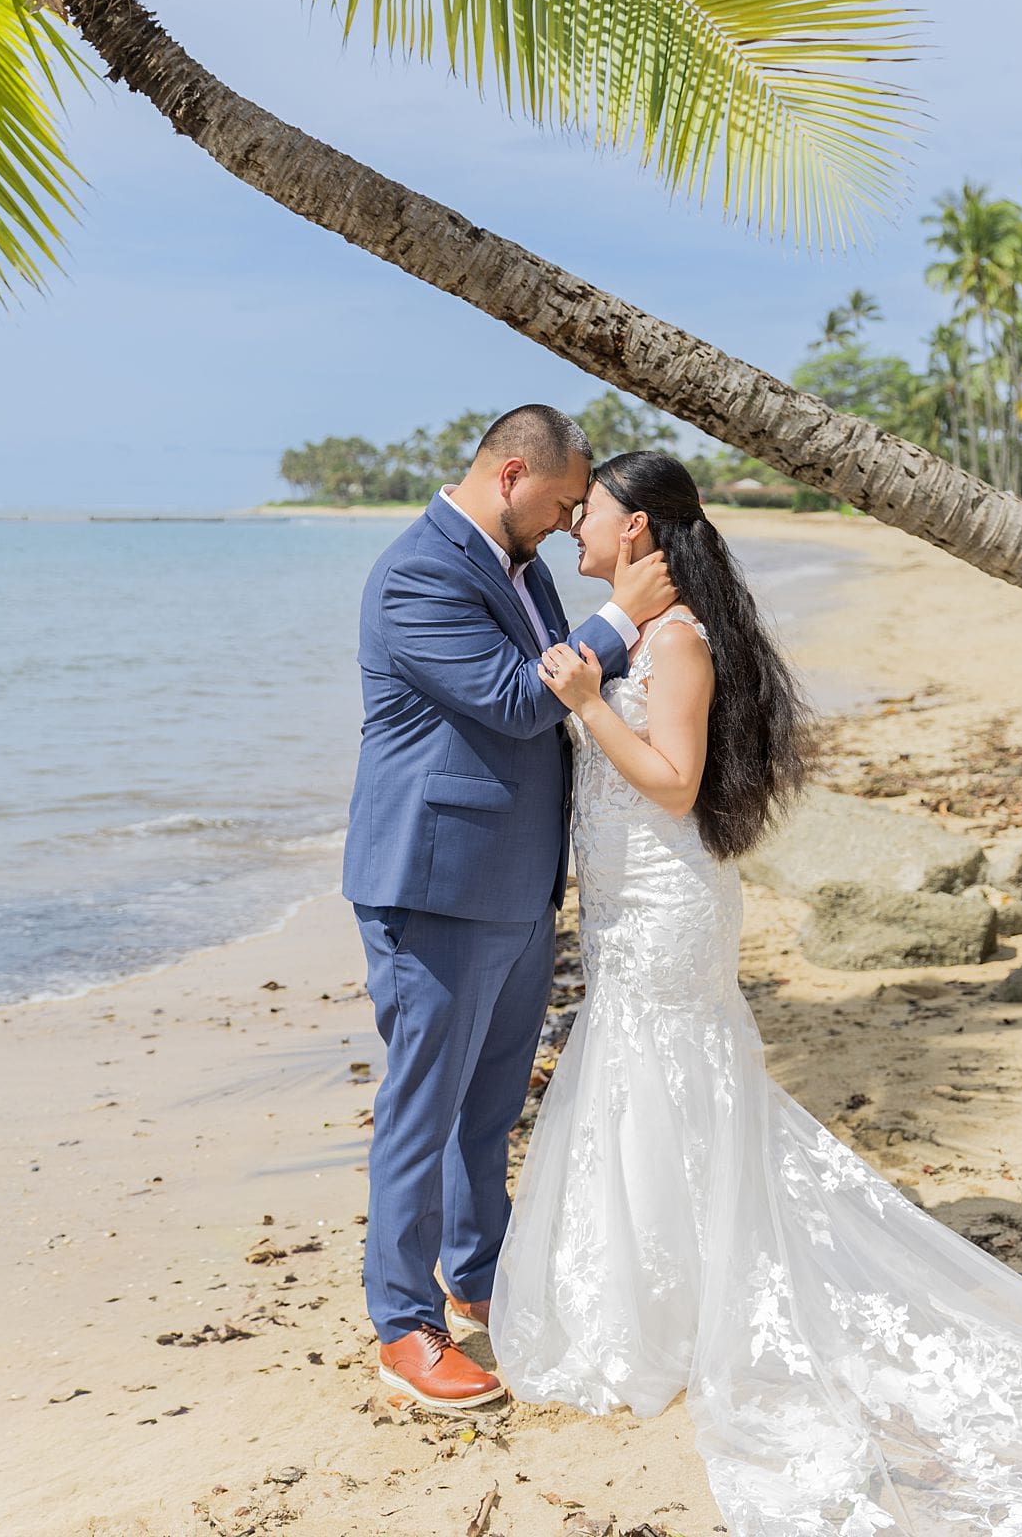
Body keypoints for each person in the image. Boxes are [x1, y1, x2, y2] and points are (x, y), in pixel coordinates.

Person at [489, 450, 1022, 1536]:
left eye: (593, 514)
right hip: (629, 904)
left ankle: (678, 1309)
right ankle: (659, 1294)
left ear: (637, 533)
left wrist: (584, 700)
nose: (576, 526)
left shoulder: (676, 643)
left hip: (670, 901)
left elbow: (670, 781)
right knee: (642, 1078)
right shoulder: (647, 631)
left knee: (663, 1070)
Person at [341, 405, 675, 1411]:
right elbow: (522, 699)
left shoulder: (520, 570)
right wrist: (621, 616)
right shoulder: (419, 574)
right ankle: (403, 1325)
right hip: (433, 885)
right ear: (515, 472)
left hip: (520, 884)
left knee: (488, 1111)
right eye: (566, 500)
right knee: (423, 1108)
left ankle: (477, 1274)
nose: (571, 520)